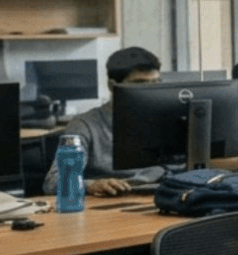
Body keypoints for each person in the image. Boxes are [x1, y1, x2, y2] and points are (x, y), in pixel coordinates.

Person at [42, 46, 163, 197]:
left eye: (155, 82)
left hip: (159, 195)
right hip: (113, 201)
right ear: (112, 86)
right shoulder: (84, 124)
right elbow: (53, 182)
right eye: (139, 83)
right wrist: (91, 185)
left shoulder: (165, 118)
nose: (150, 90)